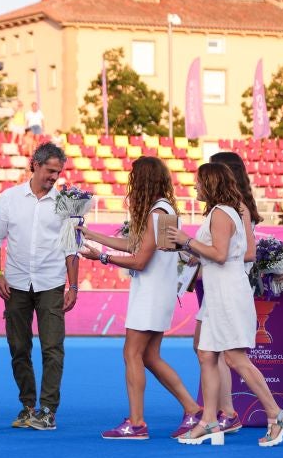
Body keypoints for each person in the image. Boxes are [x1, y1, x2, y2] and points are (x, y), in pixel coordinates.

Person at [167, 163, 283, 447]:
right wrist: (189, 250)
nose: (195, 187)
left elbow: (220, 254)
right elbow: (216, 254)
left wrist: (188, 242)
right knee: (208, 355)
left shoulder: (222, 213)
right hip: (218, 294)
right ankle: (209, 420)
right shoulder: (221, 211)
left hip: (228, 294)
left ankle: (276, 414)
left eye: (198, 182)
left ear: (210, 184)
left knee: (235, 358)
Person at [77, 157, 202, 439]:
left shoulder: (157, 213)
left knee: (131, 353)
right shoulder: (165, 210)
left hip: (152, 292)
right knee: (149, 356)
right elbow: (136, 245)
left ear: (143, 179)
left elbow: (140, 260)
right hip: (159, 291)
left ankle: (136, 422)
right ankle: (193, 409)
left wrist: (102, 258)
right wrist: (92, 235)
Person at [0, 142, 78, 431]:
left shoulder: (66, 203)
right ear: (35, 165)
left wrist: (73, 287)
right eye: (50, 171)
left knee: (53, 348)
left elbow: (71, 248)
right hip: (14, 284)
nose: (54, 177)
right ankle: (27, 406)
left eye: (58, 172)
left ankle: (48, 409)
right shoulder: (10, 198)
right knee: (18, 347)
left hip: (51, 283)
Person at [187, 151, 260, 435]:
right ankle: (216, 415)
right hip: (217, 286)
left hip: (227, 287)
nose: (196, 185)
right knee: (206, 351)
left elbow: (244, 253)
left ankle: (231, 414)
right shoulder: (229, 208)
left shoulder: (233, 209)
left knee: (225, 355)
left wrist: (199, 250)